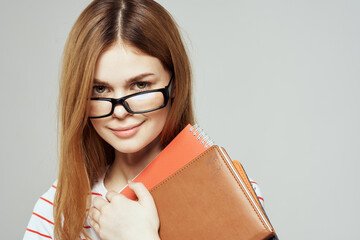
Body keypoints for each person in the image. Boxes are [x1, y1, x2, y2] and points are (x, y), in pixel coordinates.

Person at [24, 0, 263, 239]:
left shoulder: (232, 192)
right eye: (99, 89)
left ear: (175, 85)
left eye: (140, 85)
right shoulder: (58, 210)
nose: (120, 111)